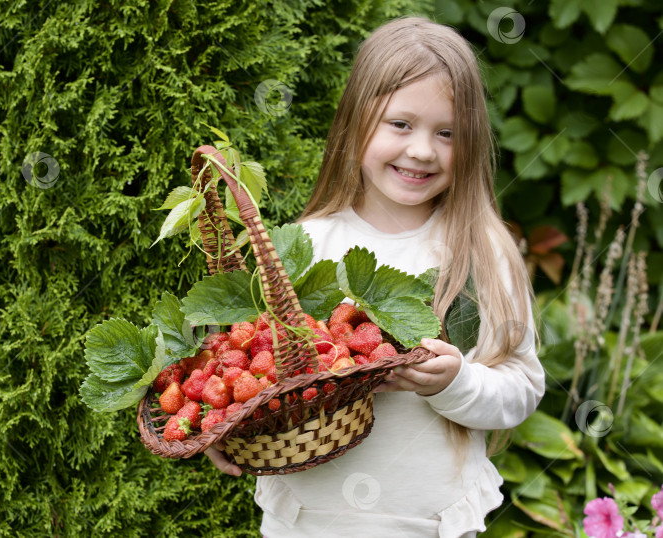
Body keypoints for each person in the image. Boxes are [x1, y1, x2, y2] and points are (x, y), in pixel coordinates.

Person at [205, 16, 544, 537]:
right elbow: (253, 371)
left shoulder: (481, 254)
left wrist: (456, 382)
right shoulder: (302, 248)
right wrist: (226, 429)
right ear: (356, 122)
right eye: (401, 124)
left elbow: (520, 387)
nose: (422, 150)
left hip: (432, 521)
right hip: (309, 520)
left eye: (447, 133)